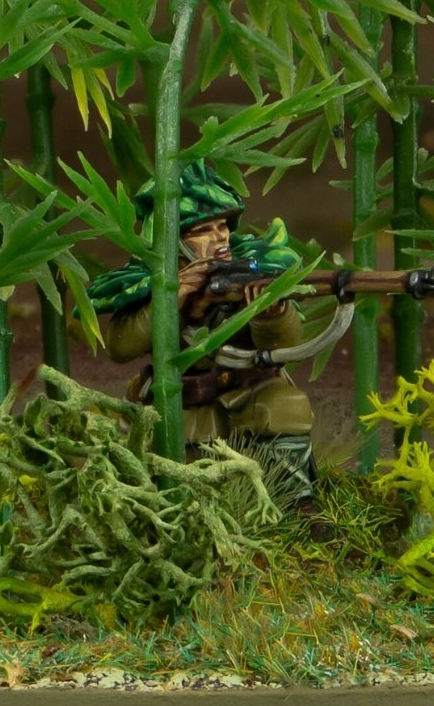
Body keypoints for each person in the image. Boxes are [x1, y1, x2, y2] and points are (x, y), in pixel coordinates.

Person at [92, 161, 319, 504]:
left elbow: (286, 344)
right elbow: (120, 346)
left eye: (223, 226)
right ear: (175, 241)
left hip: (248, 393)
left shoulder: (254, 263)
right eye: (204, 230)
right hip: (180, 401)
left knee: (286, 405)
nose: (220, 237)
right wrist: (174, 300)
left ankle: (296, 502)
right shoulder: (153, 282)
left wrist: (272, 312)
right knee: (178, 483)